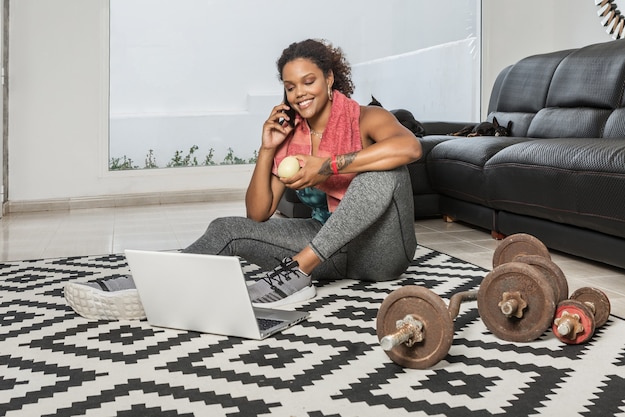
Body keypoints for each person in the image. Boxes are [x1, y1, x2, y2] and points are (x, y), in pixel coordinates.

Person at [64, 38, 422, 320]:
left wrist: (327, 166)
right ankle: (149, 284)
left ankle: (297, 273)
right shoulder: (291, 138)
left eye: (309, 81)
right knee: (226, 227)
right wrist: (267, 148)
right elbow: (258, 213)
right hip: (328, 248)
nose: (300, 93)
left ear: (329, 79)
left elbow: (410, 148)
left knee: (384, 170)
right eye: (291, 86)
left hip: (380, 253)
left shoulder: (366, 117)